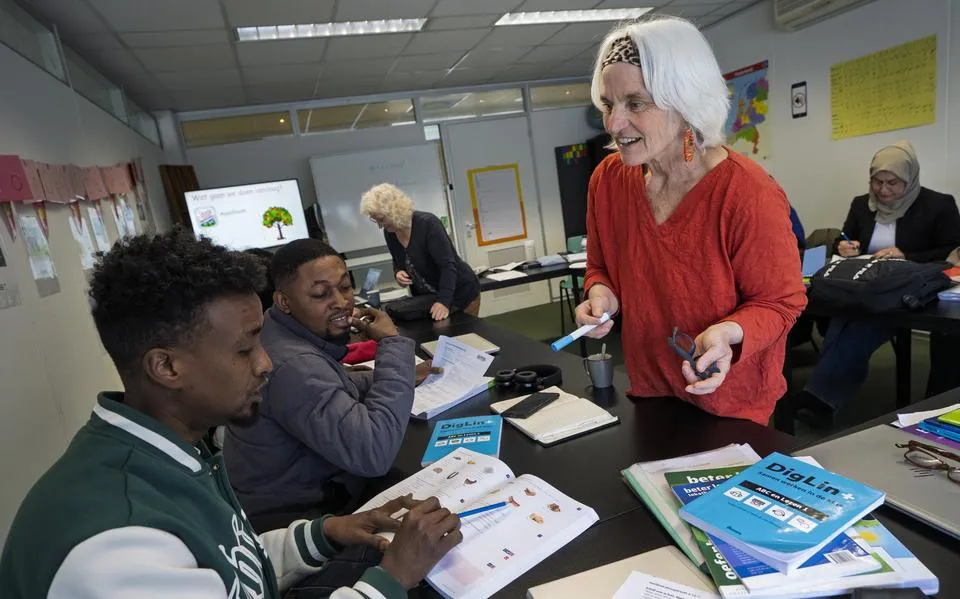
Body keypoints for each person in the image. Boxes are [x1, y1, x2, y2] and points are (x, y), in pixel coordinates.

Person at [0, 229, 461, 599]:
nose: (265, 363)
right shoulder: (117, 548)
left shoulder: (169, 454)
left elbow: (232, 567)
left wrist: (323, 534)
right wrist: (391, 580)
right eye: (244, 349)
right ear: (167, 366)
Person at [574, 17, 807, 426]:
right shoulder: (608, 181)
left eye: (635, 103)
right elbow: (601, 268)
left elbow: (782, 303)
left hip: (730, 402)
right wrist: (601, 297)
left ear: (685, 102)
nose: (613, 123)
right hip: (650, 390)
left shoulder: (748, 193)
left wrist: (728, 333)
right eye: (608, 105)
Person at [223, 239, 437, 530]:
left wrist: (395, 375)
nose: (341, 302)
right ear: (283, 301)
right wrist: (391, 344)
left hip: (313, 488)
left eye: (345, 287)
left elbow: (331, 382)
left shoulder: (277, 330)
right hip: (298, 517)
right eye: (321, 293)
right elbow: (373, 453)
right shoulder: (292, 366)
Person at [785, 142, 960, 428]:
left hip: (908, 290)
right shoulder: (861, 205)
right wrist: (846, 246)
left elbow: (951, 250)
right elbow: (847, 238)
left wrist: (906, 254)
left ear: (911, 179)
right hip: (866, 286)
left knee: (861, 319)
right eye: (876, 181)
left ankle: (820, 398)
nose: (883, 190)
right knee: (848, 315)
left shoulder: (938, 205)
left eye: (893, 183)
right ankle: (819, 398)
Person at [360, 183, 481, 320]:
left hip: (460, 292)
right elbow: (398, 260)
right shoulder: (390, 232)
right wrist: (398, 272)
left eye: (381, 220)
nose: (379, 226)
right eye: (375, 220)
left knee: (464, 335)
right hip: (431, 296)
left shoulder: (428, 224)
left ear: (393, 211)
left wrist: (443, 301)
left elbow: (447, 266)